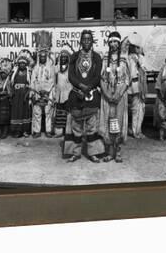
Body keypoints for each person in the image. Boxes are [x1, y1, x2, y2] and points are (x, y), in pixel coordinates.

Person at [63, 30, 106, 163]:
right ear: (80, 41)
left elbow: (98, 76)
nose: (86, 41)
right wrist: (81, 86)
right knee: (76, 126)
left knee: (92, 126)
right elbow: (71, 76)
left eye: (89, 39)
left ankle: (93, 153)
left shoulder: (97, 57)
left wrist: (89, 87)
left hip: (91, 95)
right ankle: (75, 153)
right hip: (77, 95)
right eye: (84, 39)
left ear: (92, 41)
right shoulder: (74, 57)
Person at [99, 31, 130, 163]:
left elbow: (127, 79)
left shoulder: (124, 58)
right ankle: (109, 152)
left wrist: (119, 93)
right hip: (107, 95)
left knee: (117, 123)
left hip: (120, 95)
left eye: (115, 42)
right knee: (107, 122)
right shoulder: (105, 58)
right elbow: (101, 78)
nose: (113, 44)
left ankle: (117, 152)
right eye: (111, 42)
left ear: (119, 43)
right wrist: (106, 94)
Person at [30, 31, 56, 138]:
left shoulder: (50, 68)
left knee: (48, 111)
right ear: (38, 57)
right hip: (37, 93)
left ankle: (48, 130)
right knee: (37, 112)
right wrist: (34, 91)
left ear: (47, 57)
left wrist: (45, 90)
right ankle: (37, 130)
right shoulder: (35, 68)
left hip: (47, 93)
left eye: (44, 57)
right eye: (41, 57)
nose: (42, 58)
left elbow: (52, 80)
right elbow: (32, 80)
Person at [126, 32, 147, 139]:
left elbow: (143, 71)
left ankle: (136, 131)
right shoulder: (127, 58)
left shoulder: (141, 59)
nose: (138, 49)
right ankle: (127, 131)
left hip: (138, 86)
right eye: (136, 47)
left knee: (139, 110)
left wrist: (139, 61)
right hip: (129, 86)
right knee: (130, 110)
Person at [10, 50, 33, 138]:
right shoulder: (14, 73)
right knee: (16, 113)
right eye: (20, 63)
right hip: (16, 96)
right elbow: (11, 84)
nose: (22, 65)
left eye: (23, 63)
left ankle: (25, 130)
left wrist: (28, 94)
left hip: (25, 96)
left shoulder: (29, 73)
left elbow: (31, 85)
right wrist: (12, 93)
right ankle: (17, 130)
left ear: (26, 64)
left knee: (25, 112)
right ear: (18, 64)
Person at [53, 43, 74, 139]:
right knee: (59, 113)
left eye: (65, 57)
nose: (63, 59)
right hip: (59, 94)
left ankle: (68, 132)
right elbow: (54, 81)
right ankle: (59, 132)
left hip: (68, 93)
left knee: (68, 113)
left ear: (68, 58)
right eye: (62, 57)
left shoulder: (71, 69)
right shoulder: (56, 67)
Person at [0, 58, 13, 139]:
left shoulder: (8, 82)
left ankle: (5, 132)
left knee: (4, 119)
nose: (2, 75)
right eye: (1, 73)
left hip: (5, 102)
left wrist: (2, 93)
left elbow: (10, 93)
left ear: (7, 74)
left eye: (4, 73)